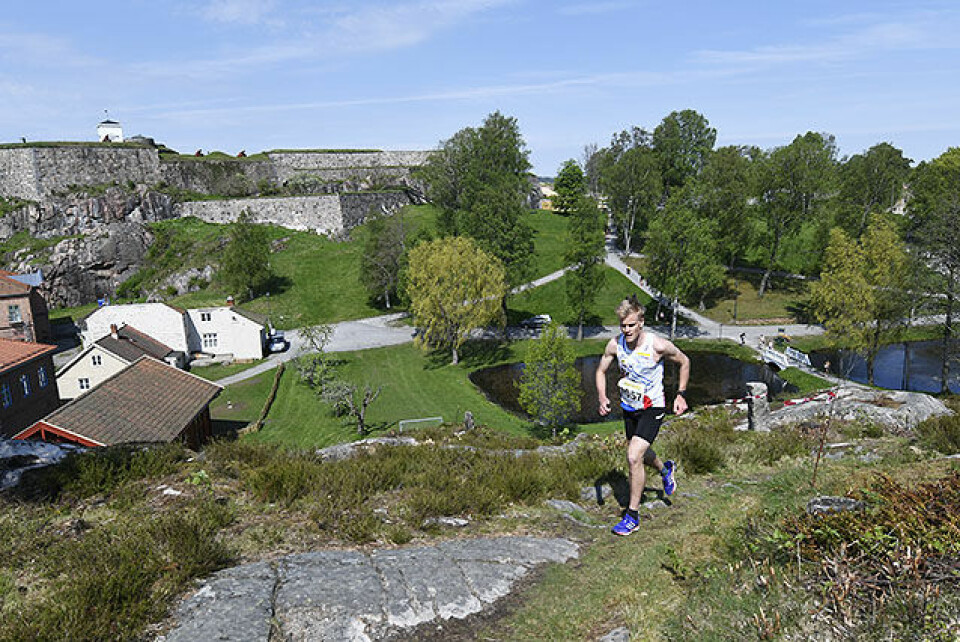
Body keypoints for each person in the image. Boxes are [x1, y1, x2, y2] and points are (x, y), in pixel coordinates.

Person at [596, 295, 691, 536]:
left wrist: (680, 395)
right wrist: (602, 397)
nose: (627, 330)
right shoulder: (615, 345)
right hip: (630, 408)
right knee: (640, 454)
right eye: (623, 326)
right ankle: (665, 470)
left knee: (633, 456)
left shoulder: (657, 345)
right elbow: (600, 371)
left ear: (641, 323)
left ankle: (632, 516)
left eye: (631, 325)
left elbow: (684, 361)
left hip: (653, 407)